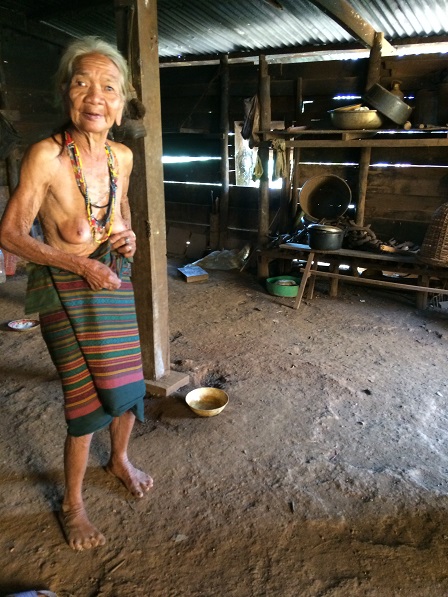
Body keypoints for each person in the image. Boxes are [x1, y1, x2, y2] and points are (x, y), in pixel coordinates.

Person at [0, 36, 153, 551]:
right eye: (83, 83)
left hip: (112, 280)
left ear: (122, 103)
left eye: (108, 87)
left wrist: (128, 237)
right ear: (66, 92)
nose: (95, 97)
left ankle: (120, 459)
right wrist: (77, 263)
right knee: (85, 400)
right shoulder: (45, 157)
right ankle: (73, 504)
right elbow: (10, 234)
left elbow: (121, 212)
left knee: (128, 386)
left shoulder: (122, 157)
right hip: (65, 288)